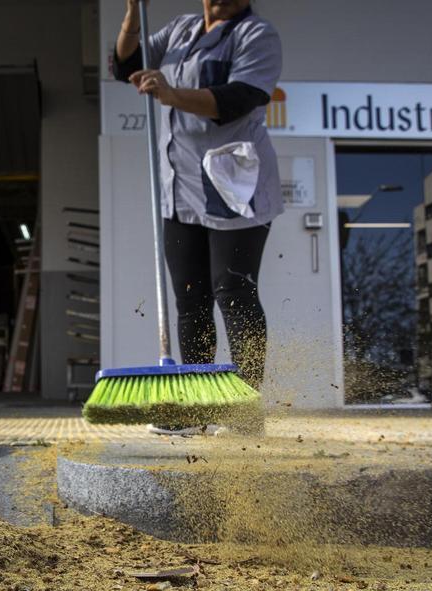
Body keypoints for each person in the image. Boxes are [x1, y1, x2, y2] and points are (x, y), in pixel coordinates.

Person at [113, 0, 282, 394]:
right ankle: (196, 402)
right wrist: (133, 13)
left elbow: (238, 99)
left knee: (234, 293)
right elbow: (126, 64)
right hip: (180, 188)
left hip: (234, 185)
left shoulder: (256, 35)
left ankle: (244, 408)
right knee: (190, 301)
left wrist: (173, 95)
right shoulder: (180, 30)